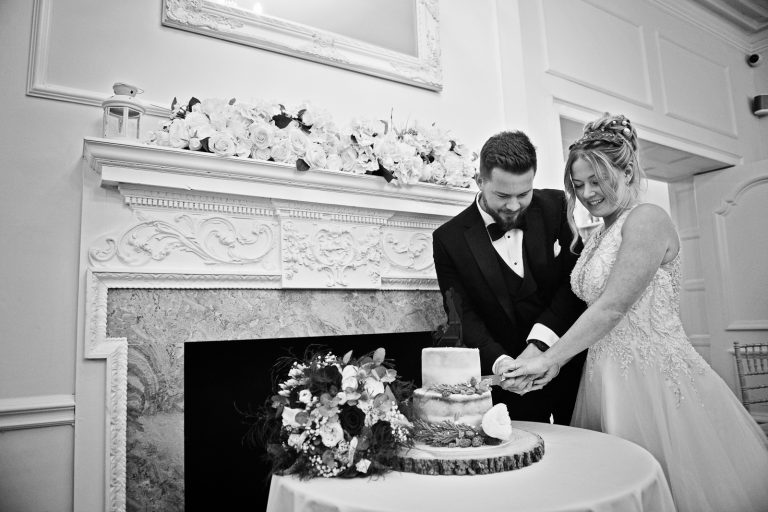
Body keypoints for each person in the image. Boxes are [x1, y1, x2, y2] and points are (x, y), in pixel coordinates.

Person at [506, 113, 768, 511]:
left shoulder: (647, 219)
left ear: (627, 171)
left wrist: (551, 360)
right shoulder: (598, 235)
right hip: (603, 373)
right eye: (578, 185)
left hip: (653, 377)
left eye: (598, 181)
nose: (588, 194)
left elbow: (612, 306)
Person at [432, 130, 587, 424]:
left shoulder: (556, 206)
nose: (514, 205)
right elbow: (461, 314)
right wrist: (504, 364)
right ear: (480, 182)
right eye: (502, 195)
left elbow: (574, 284)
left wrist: (540, 346)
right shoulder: (447, 239)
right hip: (509, 388)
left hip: (569, 365)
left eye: (523, 194)